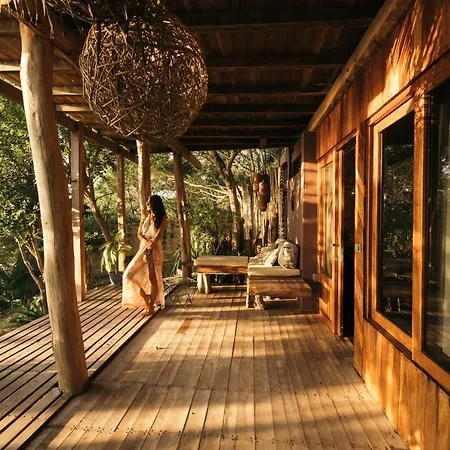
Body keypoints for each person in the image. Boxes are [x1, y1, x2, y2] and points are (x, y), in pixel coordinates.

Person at [122, 195, 168, 316]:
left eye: (149, 202)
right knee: (128, 275)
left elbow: (157, 236)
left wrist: (150, 248)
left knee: (153, 278)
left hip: (154, 249)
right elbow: (139, 234)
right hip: (143, 248)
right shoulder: (145, 217)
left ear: (154, 204)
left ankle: (151, 306)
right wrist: (145, 243)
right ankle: (146, 298)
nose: (147, 204)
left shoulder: (163, 219)